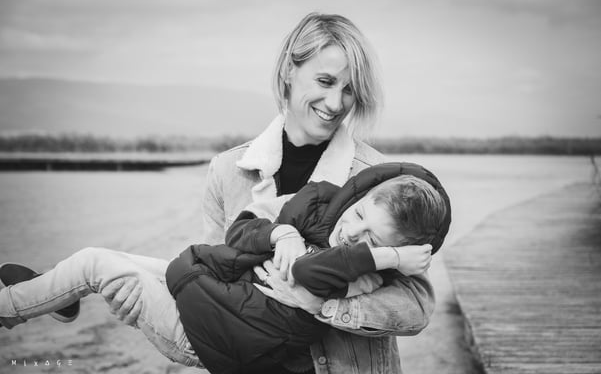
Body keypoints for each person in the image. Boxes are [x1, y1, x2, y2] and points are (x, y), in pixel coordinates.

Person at [104, 12, 439, 374]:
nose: (335, 103)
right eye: (325, 81)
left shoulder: (377, 179)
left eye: (349, 90)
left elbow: (417, 307)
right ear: (289, 71)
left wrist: (324, 306)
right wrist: (143, 307)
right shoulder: (227, 171)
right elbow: (217, 289)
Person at [0, 162, 451, 374]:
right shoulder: (318, 208)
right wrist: (283, 233)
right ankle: (49, 297)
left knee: (97, 265)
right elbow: (242, 232)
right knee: (94, 259)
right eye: (358, 217)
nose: (354, 235)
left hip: (202, 332)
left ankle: (12, 307)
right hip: (218, 297)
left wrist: (385, 259)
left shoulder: (365, 271)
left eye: (374, 240)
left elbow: (410, 308)